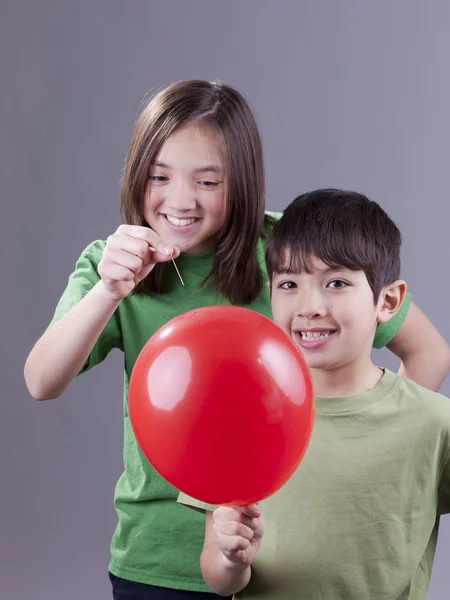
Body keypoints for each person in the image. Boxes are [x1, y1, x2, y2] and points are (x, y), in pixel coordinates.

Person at [24, 79, 448, 599]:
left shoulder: (289, 257)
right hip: (156, 557)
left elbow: (427, 351)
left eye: (208, 181)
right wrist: (109, 290)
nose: (180, 200)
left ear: (242, 182)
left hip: (281, 562)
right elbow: (42, 381)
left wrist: (371, 464)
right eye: (159, 176)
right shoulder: (114, 263)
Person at [181, 189, 450, 599]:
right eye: (289, 283)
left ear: (388, 300)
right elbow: (218, 576)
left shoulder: (434, 422)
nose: (309, 307)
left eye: (337, 282)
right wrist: (233, 558)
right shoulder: (236, 416)